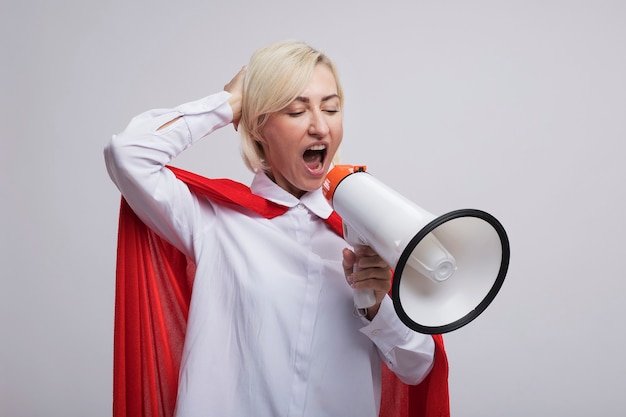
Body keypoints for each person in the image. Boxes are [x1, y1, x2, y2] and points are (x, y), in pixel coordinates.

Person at [105, 40, 449, 417]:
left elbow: (418, 367)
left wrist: (376, 304)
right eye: (296, 110)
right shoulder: (212, 222)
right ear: (258, 126)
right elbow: (129, 154)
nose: (320, 126)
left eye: (331, 108)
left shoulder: (369, 235)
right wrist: (229, 104)